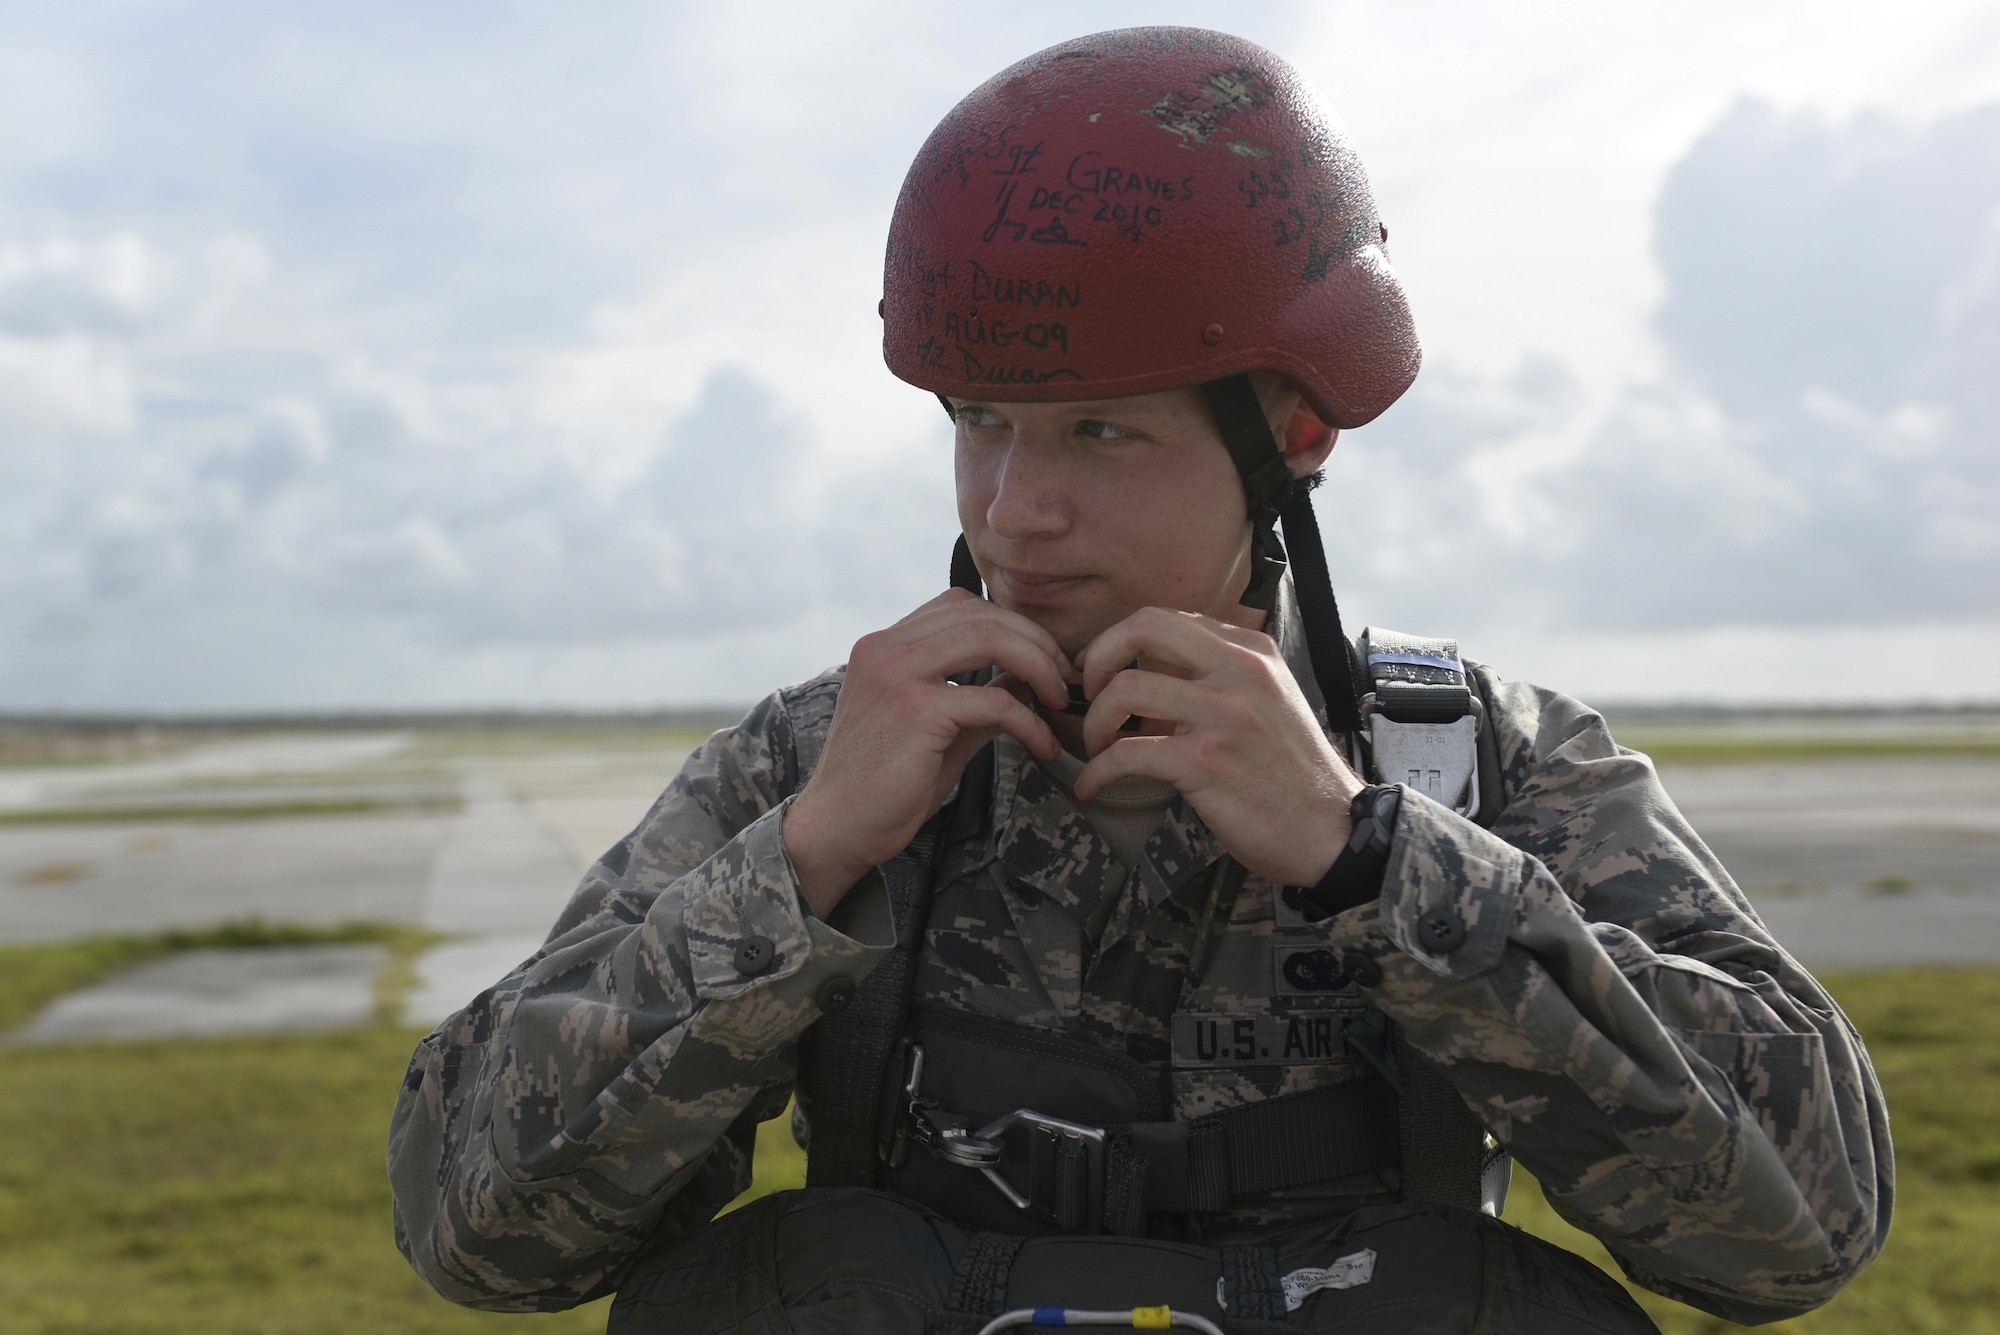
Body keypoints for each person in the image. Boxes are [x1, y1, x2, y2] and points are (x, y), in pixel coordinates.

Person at [389, 27, 1891, 1334]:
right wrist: (801, 868)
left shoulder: (1476, 767)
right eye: (981, 422)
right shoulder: (815, 763)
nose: (1013, 512)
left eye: (1103, 434)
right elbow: (481, 1235)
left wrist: (1378, 863)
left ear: (1292, 437)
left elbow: (1797, 1238)